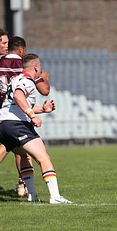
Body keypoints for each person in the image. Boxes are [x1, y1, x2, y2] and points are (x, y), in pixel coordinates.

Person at [0, 53, 71, 204]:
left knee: (25, 156)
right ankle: (56, 198)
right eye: (40, 66)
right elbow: (19, 96)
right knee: (44, 158)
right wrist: (32, 115)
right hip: (17, 125)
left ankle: (32, 195)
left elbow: (18, 104)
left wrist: (43, 109)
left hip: (4, 125)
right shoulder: (27, 81)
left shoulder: (16, 79)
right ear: (36, 67)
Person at [0, 36, 51, 197]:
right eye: (3, 43)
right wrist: (43, 78)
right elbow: (45, 91)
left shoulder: (2, 62)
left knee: (18, 150)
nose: (5, 46)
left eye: (6, 43)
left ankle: (24, 185)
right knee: (20, 150)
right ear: (22, 50)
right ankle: (24, 185)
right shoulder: (23, 67)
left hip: (5, 113)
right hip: (12, 114)